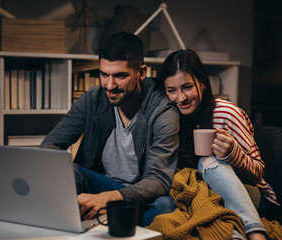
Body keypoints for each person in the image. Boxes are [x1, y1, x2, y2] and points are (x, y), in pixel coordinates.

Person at [40, 32, 180, 227]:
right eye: (104, 74)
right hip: (99, 184)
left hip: (140, 194)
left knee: (164, 206)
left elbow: (158, 180)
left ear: (141, 73)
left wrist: (110, 198)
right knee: (69, 171)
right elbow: (50, 145)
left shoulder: (162, 110)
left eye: (120, 76)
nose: (110, 85)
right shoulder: (92, 99)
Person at [157, 49, 279, 240]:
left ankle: (256, 233)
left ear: (203, 83)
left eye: (187, 87)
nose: (181, 98)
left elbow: (259, 173)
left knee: (207, 162)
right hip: (204, 198)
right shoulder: (168, 117)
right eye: (172, 90)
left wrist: (232, 154)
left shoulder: (226, 113)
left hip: (249, 195)